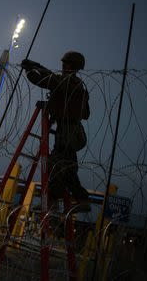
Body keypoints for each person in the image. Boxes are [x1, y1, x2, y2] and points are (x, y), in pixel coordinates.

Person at [21, 51, 91, 213]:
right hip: (69, 132)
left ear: (73, 66)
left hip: (68, 133)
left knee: (56, 165)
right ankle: (70, 200)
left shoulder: (69, 83)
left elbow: (45, 80)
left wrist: (29, 71)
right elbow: (52, 78)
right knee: (66, 168)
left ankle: (59, 201)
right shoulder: (75, 83)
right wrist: (38, 66)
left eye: (66, 63)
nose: (63, 65)